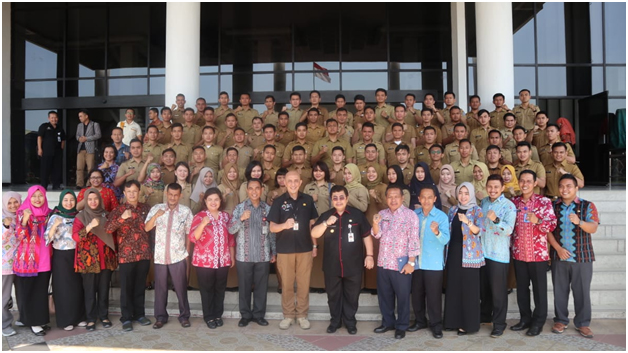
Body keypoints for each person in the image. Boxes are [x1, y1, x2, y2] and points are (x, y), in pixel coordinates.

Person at [311, 186, 374, 335]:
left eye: (341, 197)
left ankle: (350, 322)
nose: (338, 201)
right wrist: (326, 223)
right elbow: (314, 232)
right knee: (333, 296)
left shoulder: (357, 215)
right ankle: (335, 322)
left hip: (353, 265)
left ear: (346, 198)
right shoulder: (326, 215)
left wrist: (370, 255)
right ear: (331, 200)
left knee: (352, 296)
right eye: (335, 198)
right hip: (332, 265)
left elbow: (366, 236)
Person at [547, 174, 599, 338]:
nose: (564, 189)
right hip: (559, 256)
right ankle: (561, 320)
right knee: (559, 290)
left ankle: (583, 323)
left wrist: (580, 222)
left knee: (582, 291)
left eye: (569, 186)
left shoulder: (588, 206)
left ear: (576, 188)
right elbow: (547, 230)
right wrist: (557, 248)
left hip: (582, 257)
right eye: (561, 186)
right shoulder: (553, 206)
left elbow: (593, 228)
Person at [268, 171, 319, 330]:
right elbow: (272, 227)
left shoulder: (308, 200)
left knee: (304, 284)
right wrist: (284, 225)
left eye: (296, 180)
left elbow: (312, 225)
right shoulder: (278, 202)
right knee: (287, 284)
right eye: (289, 180)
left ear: (301, 182)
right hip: (285, 249)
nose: (292, 183)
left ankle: (302, 315)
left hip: (305, 248)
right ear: (284, 182)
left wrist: (315, 245)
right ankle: (288, 315)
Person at [510, 170, 557, 336]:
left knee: (539, 290)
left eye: (528, 181)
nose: (524, 184)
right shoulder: (514, 202)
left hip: (538, 255)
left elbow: (551, 225)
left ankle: (538, 322)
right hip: (519, 253)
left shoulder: (543, 202)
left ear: (535, 183)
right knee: (522, 289)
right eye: (522, 181)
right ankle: (525, 319)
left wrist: (538, 221)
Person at [371, 185, 420, 339]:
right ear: (386, 199)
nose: (393, 200)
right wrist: (375, 223)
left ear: (402, 198)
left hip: (401, 263)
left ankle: (401, 325)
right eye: (390, 197)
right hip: (384, 262)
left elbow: (414, 240)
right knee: (385, 295)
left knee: (403, 296)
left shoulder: (410, 215)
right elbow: (376, 235)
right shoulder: (382, 214)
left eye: (396, 196)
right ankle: (388, 322)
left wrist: (411, 263)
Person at [104, 180, 152, 332]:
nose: (132, 194)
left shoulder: (146, 208)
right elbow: (108, 229)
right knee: (126, 288)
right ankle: (126, 318)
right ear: (124, 193)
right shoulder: (118, 210)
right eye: (129, 191)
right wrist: (122, 218)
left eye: (135, 191)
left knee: (139, 287)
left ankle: (139, 314)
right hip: (126, 255)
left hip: (143, 254)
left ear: (139, 192)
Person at [144, 183, 193, 329]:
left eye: (175, 195)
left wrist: (187, 253)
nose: (172, 197)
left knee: (181, 288)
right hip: (160, 256)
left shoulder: (186, 211)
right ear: (166, 193)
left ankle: (184, 316)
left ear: (180, 195)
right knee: (160, 289)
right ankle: (160, 317)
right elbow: (147, 227)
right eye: (170, 194)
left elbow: (189, 233)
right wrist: (156, 216)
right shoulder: (156, 209)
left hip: (178, 255)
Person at [229, 179, 276, 327]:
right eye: (251, 188)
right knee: (244, 287)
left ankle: (258, 315)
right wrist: (241, 219)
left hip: (263, 255)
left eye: (257, 188)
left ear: (262, 190)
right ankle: (245, 315)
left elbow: (272, 233)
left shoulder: (268, 209)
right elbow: (230, 229)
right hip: (244, 255)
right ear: (247, 190)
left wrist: (274, 251)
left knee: (262, 287)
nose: (254, 191)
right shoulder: (239, 208)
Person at [408, 187, 450, 339]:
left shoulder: (441, 217)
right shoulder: (414, 215)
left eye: (429, 197)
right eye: (423, 197)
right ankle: (420, 321)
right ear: (418, 199)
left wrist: (437, 232)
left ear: (435, 199)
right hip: (416, 262)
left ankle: (436, 325)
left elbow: (446, 240)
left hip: (433, 263)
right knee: (417, 294)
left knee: (433, 296)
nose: (426, 200)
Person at [73, 189, 117, 331]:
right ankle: (91, 319)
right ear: (86, 200)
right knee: (90, 292)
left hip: (106, 259)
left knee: (103, 290)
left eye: (95, 199)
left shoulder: (106, 215)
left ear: (100, 200)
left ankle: (103, 316)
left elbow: (113, 235)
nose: (93, 202)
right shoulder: (80, 216)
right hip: (88, 261)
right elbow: (76, 237)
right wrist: (90, 226)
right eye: (90, 199)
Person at [189, 188, 235, 329]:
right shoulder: (199, 216)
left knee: (220, 289)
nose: (213, 202)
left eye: (216, 199)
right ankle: (209, 317)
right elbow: (192, 237)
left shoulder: (226, 217)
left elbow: (231, 238)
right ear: (205, 201)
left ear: (221, 201)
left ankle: (217, 315)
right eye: (210, 200)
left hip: (223, 260)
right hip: (204, 261)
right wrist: (203, 224)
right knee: (207, 290)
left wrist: (231, 256)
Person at [444, 182, 485, 335]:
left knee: (469, 290)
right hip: (454, 252)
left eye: (466, 193)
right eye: (460, 193)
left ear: (472, 194)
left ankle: (468, 324)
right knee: (454, 287)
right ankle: (452, 321)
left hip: (470, 255)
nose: (463, 196)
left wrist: (467, 221)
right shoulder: (453, 210)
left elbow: (478, 231)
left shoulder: (477, 211)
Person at [479, 175, 517, 338]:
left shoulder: (509, 206)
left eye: (496, 187)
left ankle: (499, 323)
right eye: (490, 186)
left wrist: (496, 219)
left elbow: (509, 230)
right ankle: (485, 316)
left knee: (498, 292)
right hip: (483, 252)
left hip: (498, 255)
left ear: (502, 188)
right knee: (485, 289)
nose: (492, 190)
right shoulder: (484, 202)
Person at [13, 186, 52, 336]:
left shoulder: (48, 213)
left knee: (41, 292)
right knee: (29, 292)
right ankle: (32, 322)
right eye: (34, 196)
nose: (37, 199)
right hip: (27, 261)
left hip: (44, 260)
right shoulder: (22, 212)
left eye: (40, 195)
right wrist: (24, 221)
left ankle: (40, 320)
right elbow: (19, 236)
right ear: (29, 197)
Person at [44, 190, 86, 330]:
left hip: (77, 255)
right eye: (66, 200)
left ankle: (79, 317)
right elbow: (46, 239)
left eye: (71, 200)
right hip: (61, 256)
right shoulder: (55, 216)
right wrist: (55, 226)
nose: (69, 203)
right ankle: (65, 320)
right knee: (63, 288)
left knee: (78, 287)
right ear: (61, 201)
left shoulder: (78, 216)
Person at [302, 162, 333, 292]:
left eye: (321, 170)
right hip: (312, 224)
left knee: (328, 255)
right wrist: (310, 199)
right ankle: (315, 284)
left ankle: (328, 284)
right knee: (314, 255)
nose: (318, 173)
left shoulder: (332, 187)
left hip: (328, 224)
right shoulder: (308, 187)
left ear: (325, 172)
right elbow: (302, 204)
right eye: (315, 170)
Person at [2, 192, 22, 337]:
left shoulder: (21, 218)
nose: (13, 205)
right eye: (9, 203)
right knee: (4, 296)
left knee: (22, 294)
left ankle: (24, 318)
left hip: (22, 263)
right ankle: (4, 325)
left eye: (16, 202)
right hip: (6, 266)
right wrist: (6, 226)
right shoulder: (3, 218)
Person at [38, 111, 65, 190]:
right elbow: (39, 137)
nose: (54, 119)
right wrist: (40, 149)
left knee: (57, 169)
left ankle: (56, 185)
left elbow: (63, 139)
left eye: (55, 117)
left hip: (57, 152)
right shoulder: (44, 126)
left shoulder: (60, 128)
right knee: (45, 169)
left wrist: (61, 148)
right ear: (49, 118)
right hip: (46, 152)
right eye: (52, 118)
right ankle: (44, 186)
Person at [75, 109, 102, 189]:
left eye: (81, 116)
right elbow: (77, 135)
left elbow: (98, 135)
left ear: (86, 116)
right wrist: (79, 138)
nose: (80, 118)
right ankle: (79, 184)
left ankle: (89, 184)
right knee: (79, 167)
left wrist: (87, 138)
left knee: (90, 167)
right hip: (81, 149)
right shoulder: (79, 125)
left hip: (90, 149)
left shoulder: (94, 124)